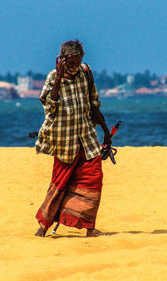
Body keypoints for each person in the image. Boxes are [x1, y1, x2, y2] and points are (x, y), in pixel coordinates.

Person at [34, 39, 111, 237]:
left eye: (78, 62)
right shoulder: (53, 77)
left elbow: (94, 104)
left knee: (93, 179)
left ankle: (89, 227)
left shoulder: (86, 73)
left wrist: (106, 131)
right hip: (65, 141)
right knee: (60, 183)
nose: (75, 67)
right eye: (71, 63)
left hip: (86, 137)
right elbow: (50, 106)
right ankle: (43, 226)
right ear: (62, 60)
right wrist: (59, 77)